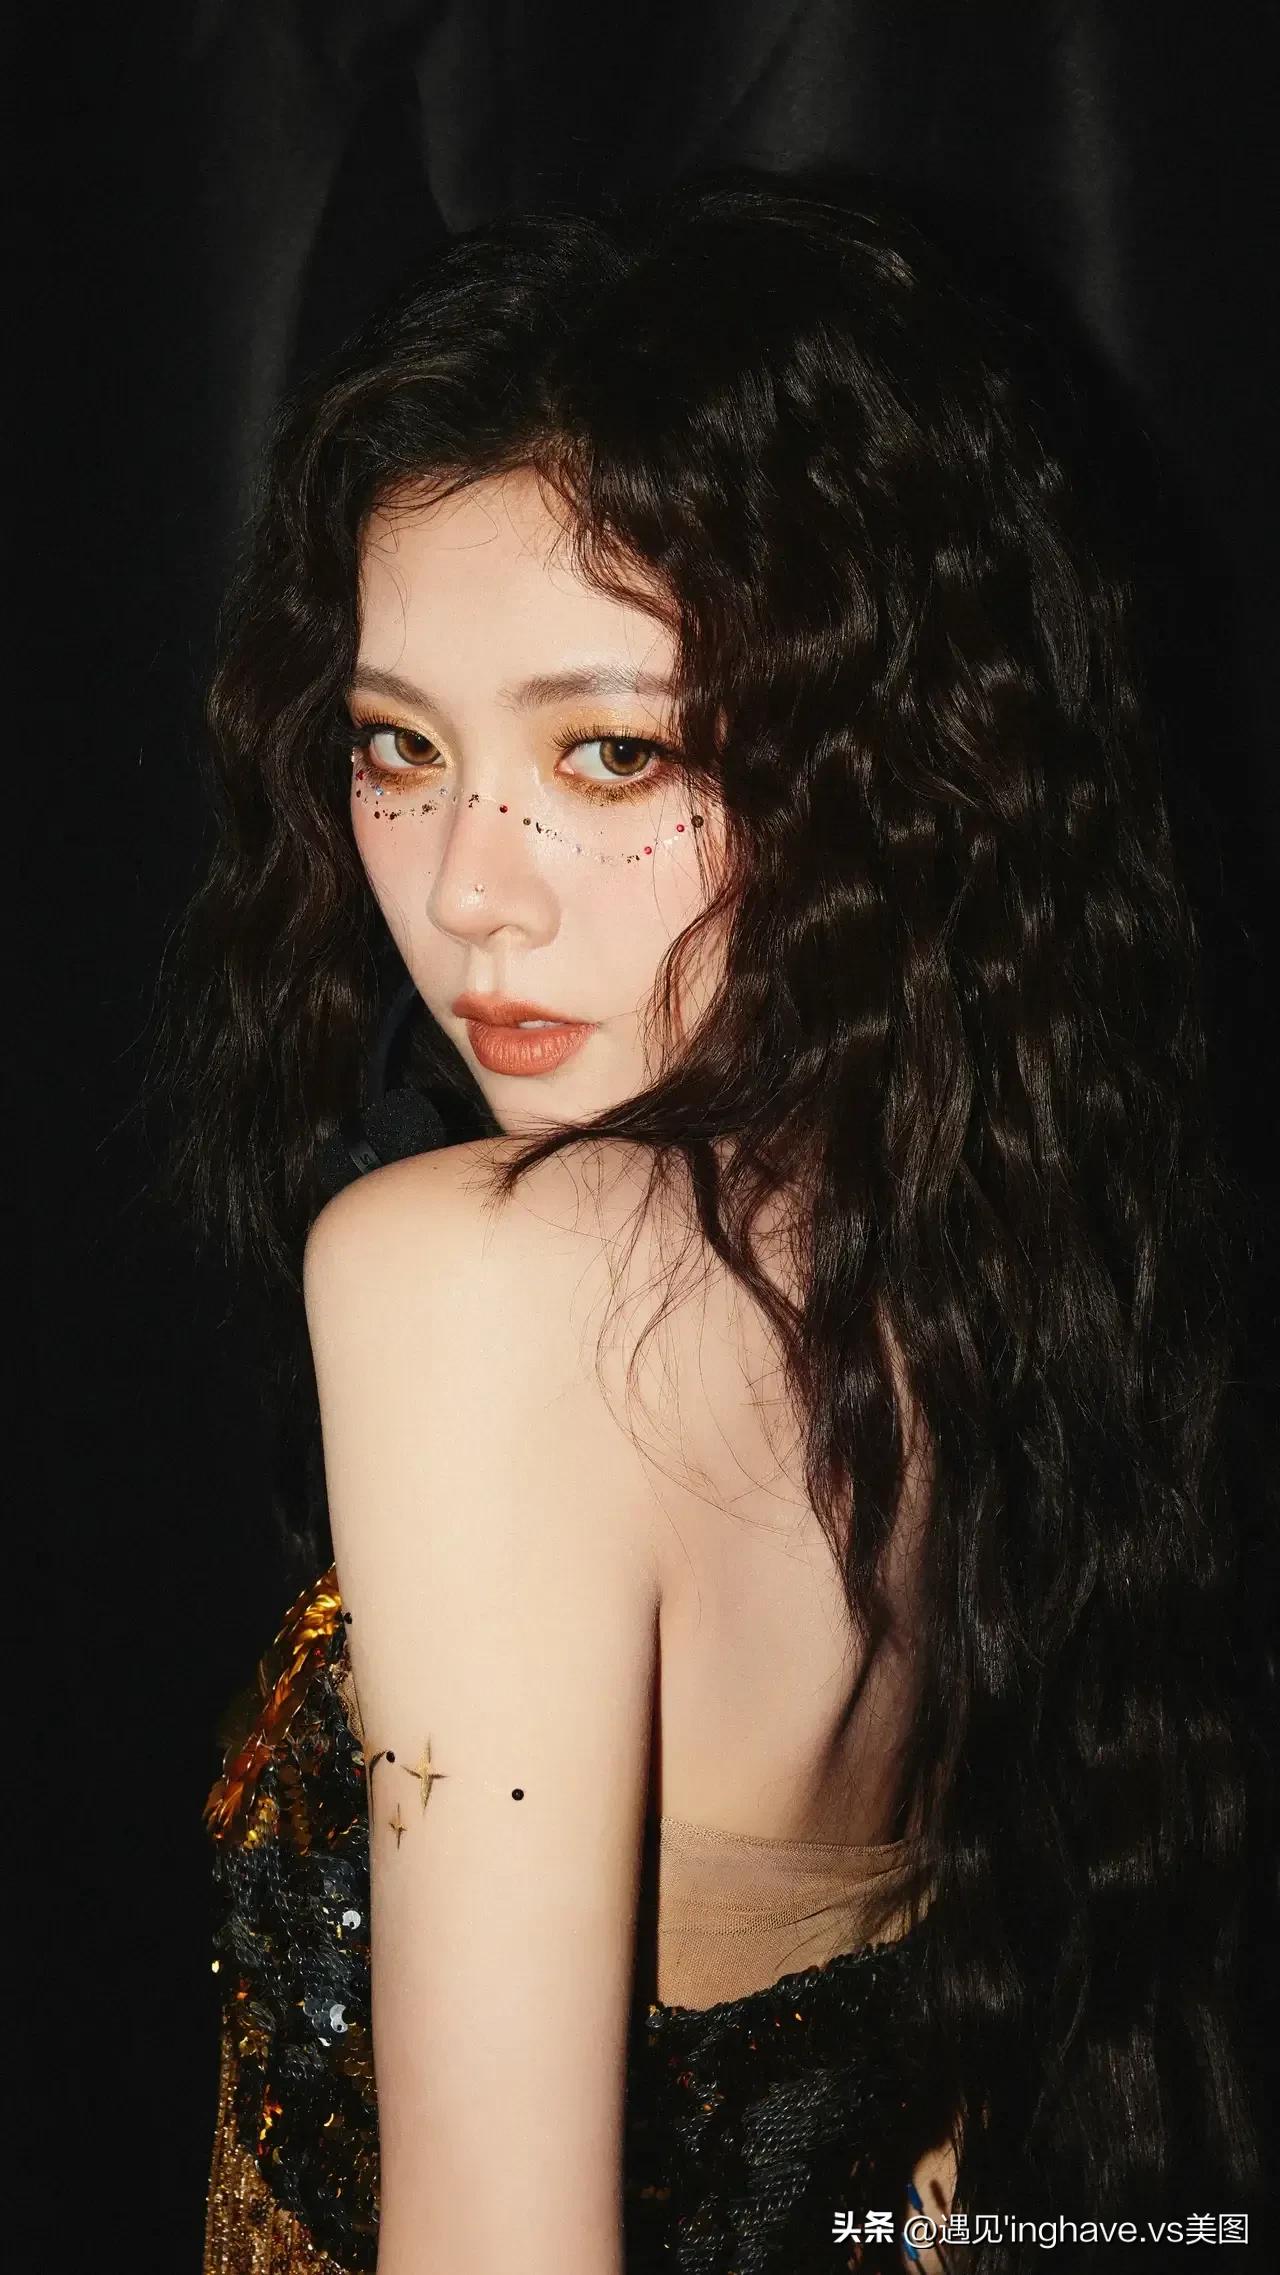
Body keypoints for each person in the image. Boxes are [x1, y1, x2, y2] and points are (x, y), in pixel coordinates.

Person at [160, 180, 1262, 2274]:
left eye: (608, 751)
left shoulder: (477, 1280)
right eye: (398, 746)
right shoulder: (978, 1258)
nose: (465, 888)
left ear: (882, 767)